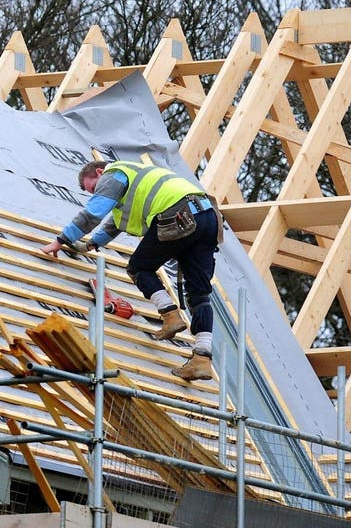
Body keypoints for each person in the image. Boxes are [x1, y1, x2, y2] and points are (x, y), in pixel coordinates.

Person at [40, 159, 222, 381]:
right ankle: (202, 359)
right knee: (200, 295)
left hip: (178, 213)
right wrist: (90, 244)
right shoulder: (137, 179)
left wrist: (61, 240)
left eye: (94, 188)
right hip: (208, 215)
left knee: (138, 268)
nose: (96, 193)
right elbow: (116, 223)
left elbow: (93, 213)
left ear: (100, 172)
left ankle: (170, 315)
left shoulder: (114, 174)